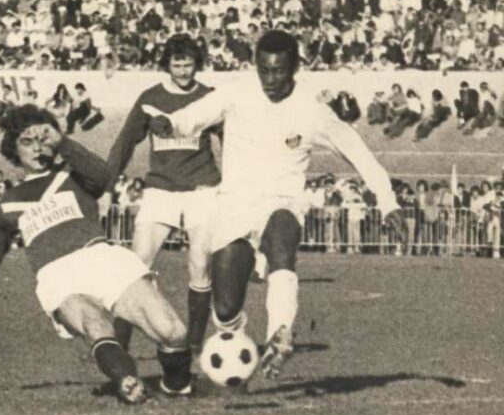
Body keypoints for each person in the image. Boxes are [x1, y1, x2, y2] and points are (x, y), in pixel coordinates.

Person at [150, 31, 406, 378]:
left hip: (283, 200)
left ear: (294, 68)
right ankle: (235, 339)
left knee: (281, 243)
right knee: (225, 307)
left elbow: (358, 152)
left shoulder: (312, 111)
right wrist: (171, 123)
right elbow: (194, 115)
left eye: (278, 71)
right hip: (235, 205)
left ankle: (279, 334)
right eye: (264, 70)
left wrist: (388, 202)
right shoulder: (237, 93)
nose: (270, 79)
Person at [0, 105, 193, 404]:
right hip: (58, 275)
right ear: (13, 149)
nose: (36, 147)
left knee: (172, 332)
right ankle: (126, 380)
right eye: (27, 141)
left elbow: (104, 176)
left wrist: (63, 142)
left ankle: (176, 384)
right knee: (95, 325)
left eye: (42, 139)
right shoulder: (11, 201)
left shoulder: (73, 175)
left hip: (102, 259)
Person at [105, 34, 220, 355]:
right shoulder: (150, 97)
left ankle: (193, 345)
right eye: (177, 65)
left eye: (188, 64)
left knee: (200, 265)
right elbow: (125, 142)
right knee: (136, 265)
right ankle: (118, 345)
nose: (183, 71)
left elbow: (232, 140)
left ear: (197, 64)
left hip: (202, 188)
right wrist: (107, 185)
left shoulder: (210, 97)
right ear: (167, 65)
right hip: (160, 189)